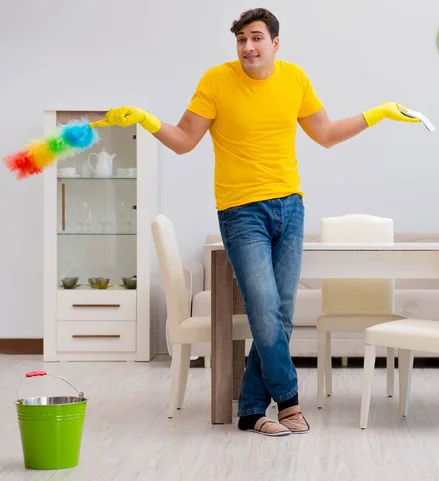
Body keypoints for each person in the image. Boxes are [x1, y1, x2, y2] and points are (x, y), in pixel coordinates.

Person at [100, 7, 420, 437]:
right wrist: (146, 119)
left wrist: (377, 114)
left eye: (255, 38)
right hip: (241, 211)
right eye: (240, 40)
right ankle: (288, 401)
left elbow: (324, 134)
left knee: (281, 313)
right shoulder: (216, 80)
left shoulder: (295, 78)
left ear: (275, 43)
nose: (247, 47)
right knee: (265, 309)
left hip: (290, 207)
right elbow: (184, 140)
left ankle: (251, 410)